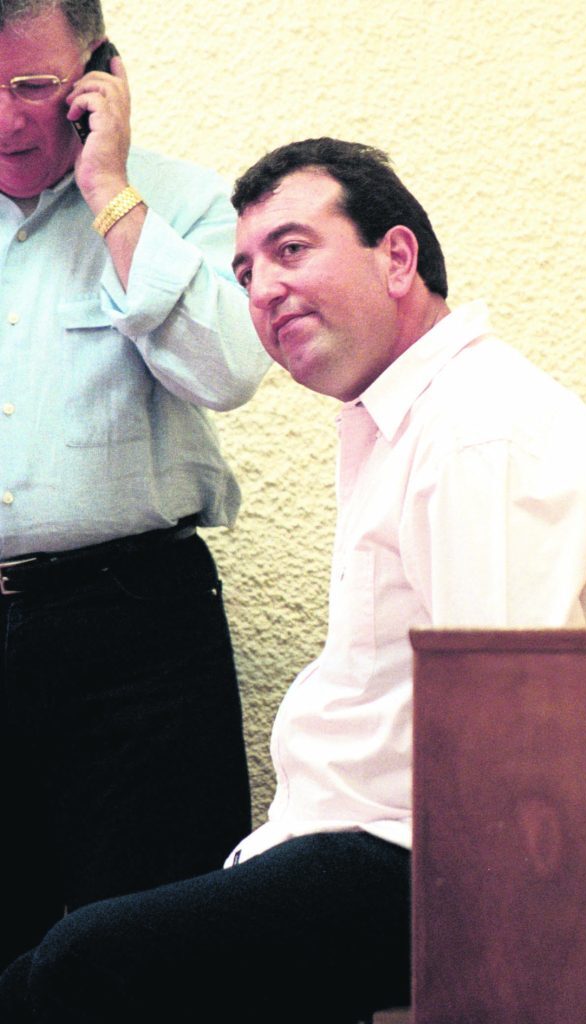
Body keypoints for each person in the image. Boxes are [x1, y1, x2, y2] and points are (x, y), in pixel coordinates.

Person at [0, 137, 586, 1023]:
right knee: (37, 971)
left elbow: (510, 758)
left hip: (433, 863)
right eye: (244, 272)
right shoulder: (402, 418)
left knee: (80, 967)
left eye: (292, 249)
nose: (262, 291)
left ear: (396, 258)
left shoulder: (480, 429)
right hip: (365, 841)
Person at [0, 0, 271, 974]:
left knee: (157, 963)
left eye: (33, 85)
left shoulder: (184, 203)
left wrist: (110, 193)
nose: (6, 119)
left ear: (99, 72)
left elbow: (226, 371)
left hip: (134, 634)